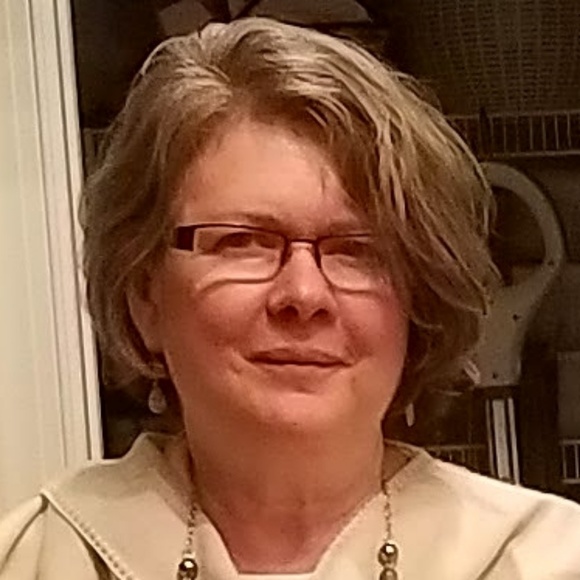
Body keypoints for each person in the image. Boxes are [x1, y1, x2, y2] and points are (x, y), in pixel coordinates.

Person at [1, 16, 579, 580]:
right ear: (144, 296)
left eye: (357, 250)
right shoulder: (36, 558)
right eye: (243, 242)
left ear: (419, 299)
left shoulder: (546, 559)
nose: (304, 294)